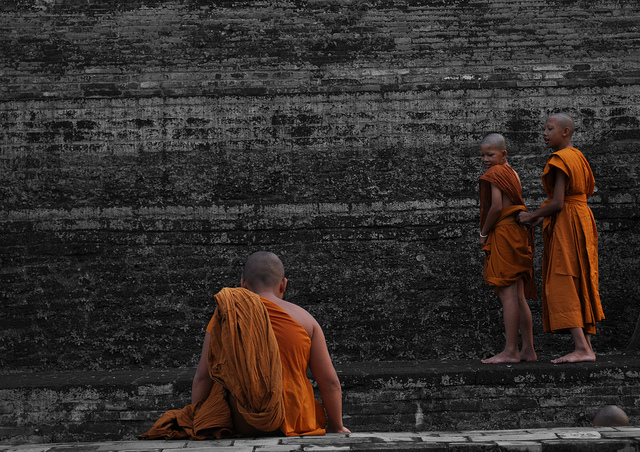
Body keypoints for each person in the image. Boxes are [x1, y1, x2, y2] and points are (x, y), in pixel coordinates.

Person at [140, 251, 350, 440]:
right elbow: (329, 382)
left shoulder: (228, 314)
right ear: (283, 284)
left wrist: (200, 420)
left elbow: (204, 376)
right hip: (296, 419)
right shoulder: (306, 319)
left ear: (243, 284)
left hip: (242, 418)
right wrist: (336, 426)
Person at [517, 113, 605, 364]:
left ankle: (581, 347)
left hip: (567, 221)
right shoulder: (577, 156)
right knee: (580, 277)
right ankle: (586, 347)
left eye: (549, 128)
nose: (544, 133)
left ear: (565, 131)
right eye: (544, 128)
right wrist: (540, 217)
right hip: (581, 219)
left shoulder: (560, 159)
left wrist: (532, 215)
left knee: (562, 279)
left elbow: (557, 203)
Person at [478, 133, 537, 364]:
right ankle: (528, 350)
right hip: (518, 234)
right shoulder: (513, 173)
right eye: (482, 155)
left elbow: (496, 208)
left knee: (508, 296)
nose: (485, 160)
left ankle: (511, 351)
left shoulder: (495, 173)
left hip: (503, 233)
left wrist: (483, 234)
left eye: (490, 155)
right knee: (519, 296)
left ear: (503, 154)